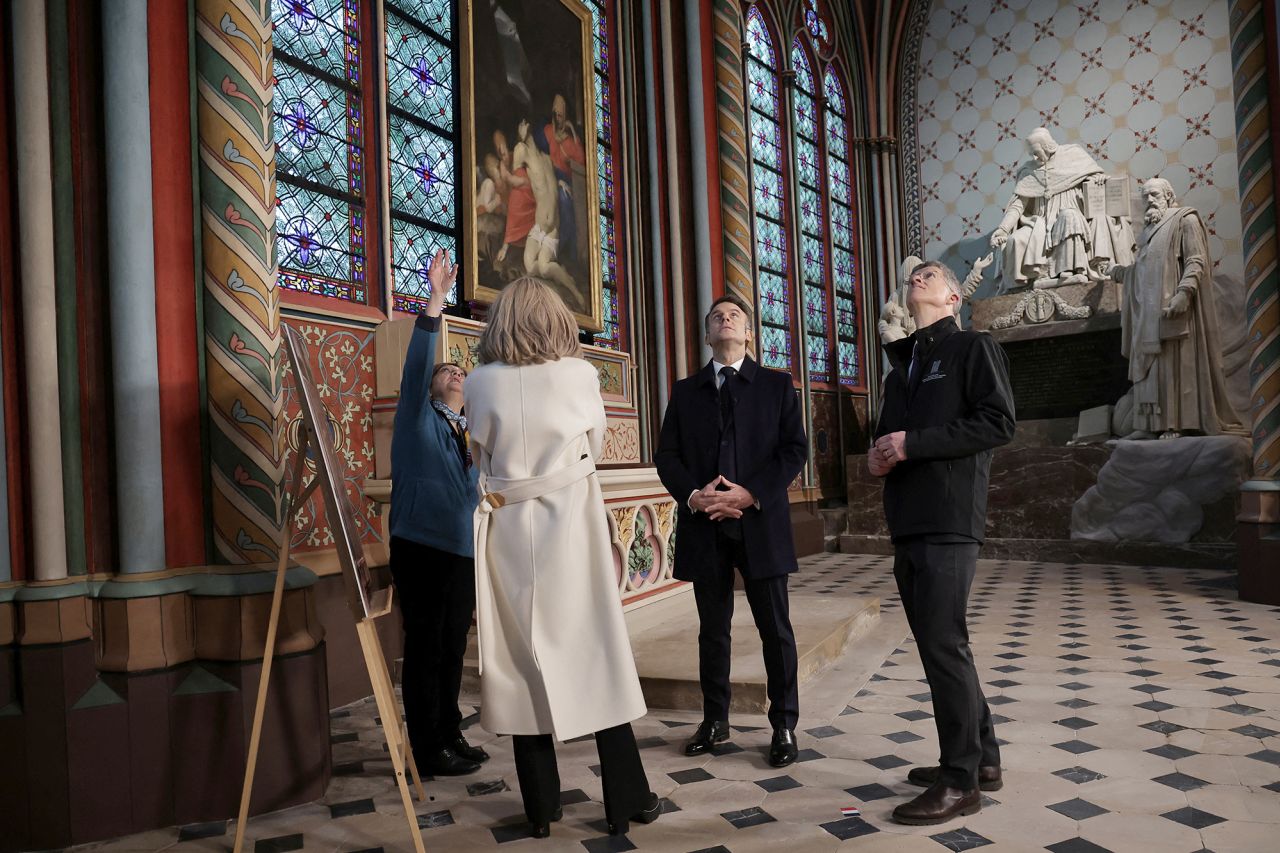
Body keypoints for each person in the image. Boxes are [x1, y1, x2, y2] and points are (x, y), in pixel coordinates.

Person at [464, 279, 660, 839]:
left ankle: (540, 808)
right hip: (569, 529)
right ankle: (626, 800)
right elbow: (593, 446)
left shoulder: (478, 382)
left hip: (506, 530)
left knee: (520, 660)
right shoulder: (580, 374)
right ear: (555, 320)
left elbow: (478, 455)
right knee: (595, 653)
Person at [869, 260, 1016, 825]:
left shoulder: (972, 348)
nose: (918, 279)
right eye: (913, 275)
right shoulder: (900, 367)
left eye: (930, 275)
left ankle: (959, 781)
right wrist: (884, 454)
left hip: (949, 516)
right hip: (907, 517)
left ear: (954, 296)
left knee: (942, 645)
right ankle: (982, 762)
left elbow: (998, 423)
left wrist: (913, 444)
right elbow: (891, 437)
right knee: (943, 641)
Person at [654, 293, 808, 768]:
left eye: (735, 315)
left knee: (775, 629)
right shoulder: (685, 391)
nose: (726, 320)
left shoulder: (778, 386)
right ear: (707, 335)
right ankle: (715, 720)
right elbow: (668, 456)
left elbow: (793, 451)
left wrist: (749, 493)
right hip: (705, 525)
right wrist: (694, 496)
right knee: (712, 631)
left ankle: (783, 723)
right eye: (717, 317)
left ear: (748, 334)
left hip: (759, 523)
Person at [387, 248, 489, 777]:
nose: (453, 371)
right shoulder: (416, 418)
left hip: (459, 551)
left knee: (453, 647)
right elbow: (418, 363)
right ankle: (426, 748)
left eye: (461, 369)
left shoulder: (469, 437)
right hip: (420, 546)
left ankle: (449, 733)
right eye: (446, 369)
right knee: (425, 648)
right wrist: (436, 301)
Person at [1110, 178, 1243, 439]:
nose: (1149, 200)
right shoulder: (1147, 231)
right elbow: (1144, 271)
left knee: (1173, 369)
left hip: (1172, 308)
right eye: (1145, 195)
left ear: (1169, 196)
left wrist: (1184, 293)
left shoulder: (1185, 220)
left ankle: (1174, 425)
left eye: (1155, 194)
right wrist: (1120, 273)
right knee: (1150, 371)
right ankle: (1148, 426)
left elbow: (1196, 260)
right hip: (1147, 315)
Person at [990, 127, 1131, 290]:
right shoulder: (1028, 171)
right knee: (1015, 240)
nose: (1034, 157)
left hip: (1068, 212)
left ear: (1048, 146)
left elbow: (1094, 178)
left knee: (1069, 217)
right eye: (1031, 154)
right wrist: (1003, 229)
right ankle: (1018, 289)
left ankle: (1069, 271)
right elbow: (1018, 205)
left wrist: (1097, 179)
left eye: (1036, 152)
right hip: (1039, 223)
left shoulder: (1073, 156)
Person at [543, 93, 586, 262]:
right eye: (556, 113)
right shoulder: (547, 132)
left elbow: (582, 163)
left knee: (565, 200)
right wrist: (556, 180)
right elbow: (542, 157)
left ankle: (564, 252)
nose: (558, 117)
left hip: (568, 182)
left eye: (561, 114)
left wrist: (574, 133)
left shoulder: (570, 141)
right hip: (550, 177)